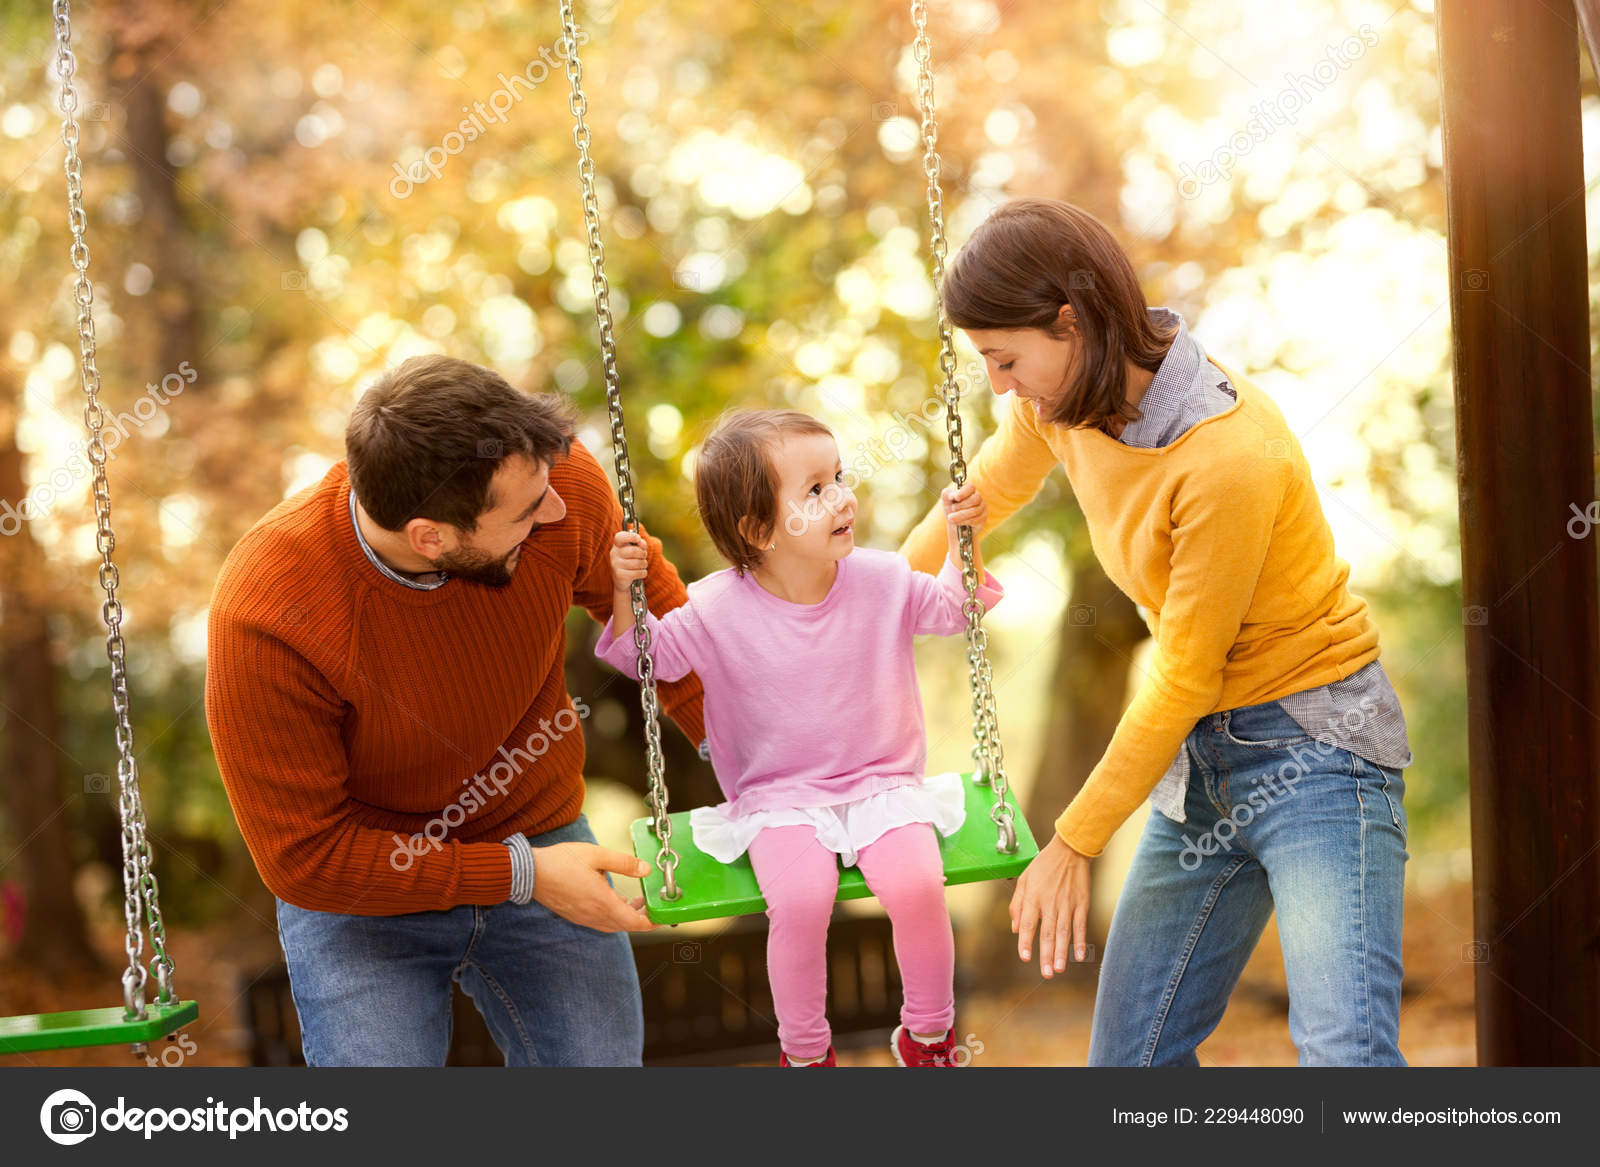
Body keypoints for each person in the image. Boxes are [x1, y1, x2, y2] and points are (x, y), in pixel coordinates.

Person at [899, 198, 1413, 1066]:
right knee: (1130, 1066)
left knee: (1346, 1061)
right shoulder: (1059, 405)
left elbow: (1183, 672)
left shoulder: (1224, 454)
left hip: (1318, 750)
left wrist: (1073, 840)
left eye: (1005, 358)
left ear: (1071, 321)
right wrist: (860, 611)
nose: (998, 385)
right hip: (1199, 760)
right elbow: (979, 502)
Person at [205, 354, 706, 1066]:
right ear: (431, 537)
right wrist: (522, 874)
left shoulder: (550, 480)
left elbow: (665, 626)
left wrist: (758, 767)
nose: (555, 511)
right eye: (527, 513)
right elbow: (306, 858)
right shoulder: (269, 608)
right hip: (367, 886)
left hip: (540, 827)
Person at [596, 409, 1000, 1066]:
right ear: (759, 529)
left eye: (838, 477)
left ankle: (928, 1035)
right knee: (802, 899)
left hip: (883, 784)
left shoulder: (883, 579)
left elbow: (959, 609)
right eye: (815, 489)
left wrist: (964, 540)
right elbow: (647, 658)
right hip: (778, 796)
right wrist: (625, 590)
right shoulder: (716, 608)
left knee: (919, 885)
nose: (842, 497)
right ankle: (807, 1053)